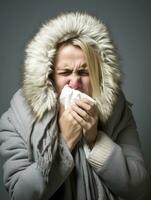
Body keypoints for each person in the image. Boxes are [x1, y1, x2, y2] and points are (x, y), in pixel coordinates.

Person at [0, 12, 148, 200]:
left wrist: (95, 141)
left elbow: (139, 189)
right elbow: (21, 195)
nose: (75, 83)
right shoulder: (17, 119)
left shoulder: (118, 113)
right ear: (49, 77)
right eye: (65, 72)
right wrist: (64, 141)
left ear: (97, 75)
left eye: (84, 72)